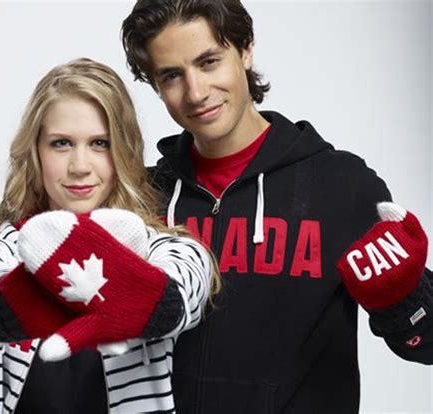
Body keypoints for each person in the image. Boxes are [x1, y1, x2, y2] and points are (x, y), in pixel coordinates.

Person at [121, 1, 433, 413]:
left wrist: (405, 296)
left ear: (245, 50)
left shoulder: (341, 186)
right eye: (172, 76)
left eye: (209, 61)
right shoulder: (142, 198)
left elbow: (426, 345)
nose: (196, 92)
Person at [0, 57, 219, 414]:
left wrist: (126, 287)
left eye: (100, 143)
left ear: (123, 152)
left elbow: (177, 299)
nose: (80, 166)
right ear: (35, 151)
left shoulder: (172, 251)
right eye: (61, 143)